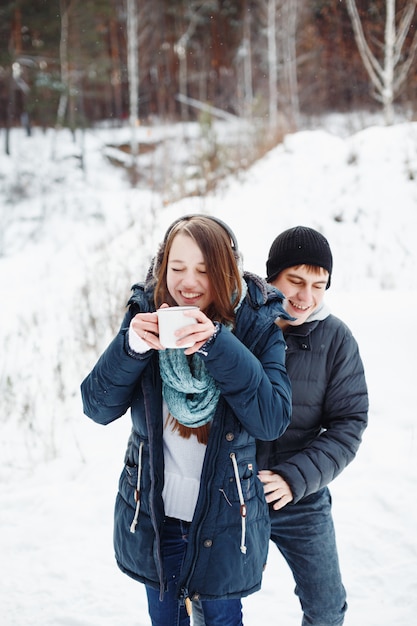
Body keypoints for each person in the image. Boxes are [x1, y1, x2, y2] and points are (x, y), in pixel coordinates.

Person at [80, 214, 292, 626]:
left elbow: (271, 419)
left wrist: (217, 343)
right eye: (177, 269)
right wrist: (132, 347)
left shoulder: (257, 325)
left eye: (204, 270)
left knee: (221, 620)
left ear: (226, 270)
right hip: (157, 517)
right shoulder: (145, 312)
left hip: (227, 519)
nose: (188, 282)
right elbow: (97, 407)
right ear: (163, 269)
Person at [193, 225, 369, 626]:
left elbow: (349, 422)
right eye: (296, 281)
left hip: (301, 497)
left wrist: (294, 479)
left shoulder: (336, 339)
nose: (306, 297)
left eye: (319, 285)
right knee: (213, 607)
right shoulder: (236, 324)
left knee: (327, 608)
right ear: (272, 276)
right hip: (233, 492)